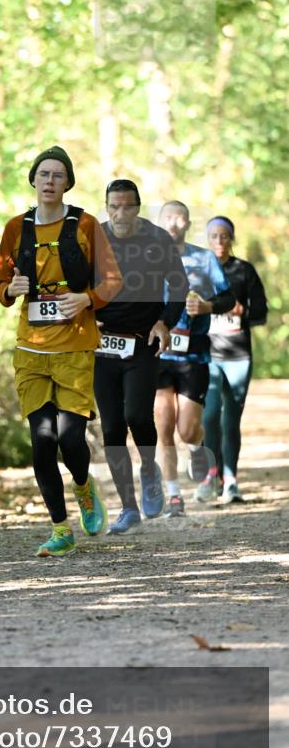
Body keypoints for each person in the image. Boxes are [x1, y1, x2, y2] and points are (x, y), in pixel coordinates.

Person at [0, 146, 123, 557]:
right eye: (43, 174)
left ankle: (84, 488)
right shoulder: (16, 227)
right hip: (30, 349)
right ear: (33, 180)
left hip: (75, 345)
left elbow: (112, 280)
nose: (50, 181)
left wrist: (87, 300)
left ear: (68, 183)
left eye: (58, 175)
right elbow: (0, 283)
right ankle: (59, 528)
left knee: (70, 438)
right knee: (42, 441)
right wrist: (9, 290)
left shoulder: (85, 225)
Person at [94, 180, 188, 534]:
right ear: (106, 207)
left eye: (127, 207)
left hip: (142, 343)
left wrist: (165, 321)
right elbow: (75, 284)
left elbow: (178, 287)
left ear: (137, 206)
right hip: (102, 346)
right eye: (113, 207)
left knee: (136, 413)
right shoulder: (95, 240)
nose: (120, 213)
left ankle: (149, 467)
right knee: (112, 427)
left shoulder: (157, 240)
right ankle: (128, 507)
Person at [155, 202, 235, 517]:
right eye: (168, 218)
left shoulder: (203, 258)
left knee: (187, 429)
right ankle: (174, 497)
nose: (174, 223)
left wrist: (207, 307)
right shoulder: (147, 257)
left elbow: (228, 298)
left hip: (194, 354)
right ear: (159, 223)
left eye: (180, 218)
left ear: (188, 223)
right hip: (158, 353)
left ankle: (197, 448)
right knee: (163, 423)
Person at [195, 216, 268, 504]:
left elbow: (261, 311)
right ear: (207, 239)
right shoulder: (199, 272)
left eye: (224, 236)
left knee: (230, 419)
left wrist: (242, 312)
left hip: (237, 355)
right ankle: (210, 477)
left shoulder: (243, 271)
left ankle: (231, 482)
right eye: (214, 236)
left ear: (231, 239)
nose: (219, 242)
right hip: (207, 353)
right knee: (209, 415)